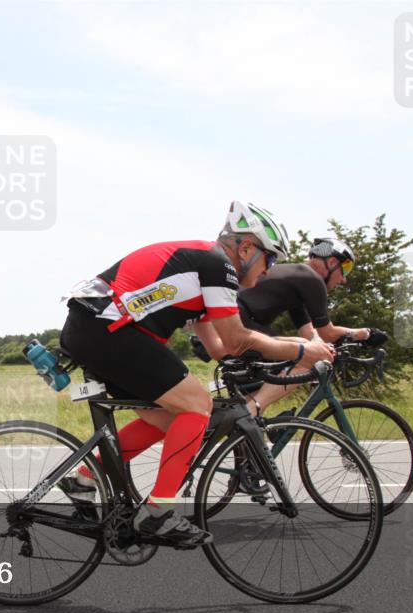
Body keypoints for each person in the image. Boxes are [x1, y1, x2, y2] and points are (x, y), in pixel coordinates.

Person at [58, 201, 334, 548]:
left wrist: (297, 344)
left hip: (98, 327)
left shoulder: (207, 273)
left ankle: (84, 479)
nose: (269, 271)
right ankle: (158, 512)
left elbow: (221, 348)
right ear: (246, 248)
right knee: (197, 405)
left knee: (169, 419)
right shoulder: (218, 265)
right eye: (271, 259)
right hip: (107, 328)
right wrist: (301, 352)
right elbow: (237, 339)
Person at [192, 237, 388, 415]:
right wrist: (366, 334)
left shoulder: (299, 278)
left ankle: (249, 422)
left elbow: (310, 334)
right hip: (238, 324)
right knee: (309, 357)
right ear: (331, 262)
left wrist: (323, 346)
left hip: (228, 322)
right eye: (345, 269)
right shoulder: (312, 279)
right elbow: (327, 332)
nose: (344, 279)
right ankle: (252, 412)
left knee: (304, 353)